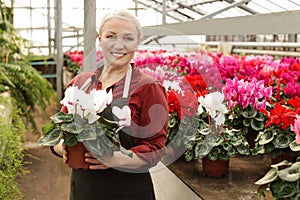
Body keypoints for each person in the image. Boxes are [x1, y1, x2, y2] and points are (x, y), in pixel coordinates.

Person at [51, 9, 169, 200]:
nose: (119, 45)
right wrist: (62, 147)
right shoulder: (81, 83)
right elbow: (58, 133)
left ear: (137, 42)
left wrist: (114, 159)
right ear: (100, 39)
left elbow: (155, 148)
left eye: (128, 38)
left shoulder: (149, 88)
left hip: (128, 190)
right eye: (111, 36)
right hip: (83, 188)